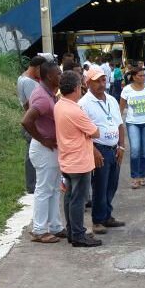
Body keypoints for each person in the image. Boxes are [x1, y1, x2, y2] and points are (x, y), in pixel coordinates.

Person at [54, 70, 101, 247]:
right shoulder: (75, 111)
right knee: (78, 200)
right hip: (79, 161)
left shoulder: (59, 105)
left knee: (69, 196)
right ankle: (79, 235)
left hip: (67, 159)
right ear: (75, 88)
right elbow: (95, 132)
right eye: (80, 86)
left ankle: (72, 232)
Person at [79, 65, 126, 234]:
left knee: (112, 184)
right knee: (100, 184)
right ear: (88, 83)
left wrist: (121, 146)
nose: (101, 83)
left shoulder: (112, 99)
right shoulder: (84, 104)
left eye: (103, 79)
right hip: (99, 148)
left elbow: (120, 124)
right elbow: (82, 132)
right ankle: (98, 220)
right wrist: (93, 150)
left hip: (114, 148)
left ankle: (107, 215)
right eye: (96, 81)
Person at [21, 61, 65, 244]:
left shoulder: (47, 93)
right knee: (44, 189)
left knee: (54, 189)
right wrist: (42, 138)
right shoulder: (41, 97)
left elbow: (27, 108)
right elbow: (26, 120)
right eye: (58, 74)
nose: (61, 77)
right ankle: (39, 230)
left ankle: (55, 226)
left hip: (50, 148)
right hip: (44, 148)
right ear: (49, 76)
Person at [120, 68, 145, 189]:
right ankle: (135, 178)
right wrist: (117, 123)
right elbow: (120, 108)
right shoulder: (127, 90)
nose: (143, 78)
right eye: (141, 76)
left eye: (144, 76)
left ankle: (142, 176)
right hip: (133, 123)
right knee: (135, 150)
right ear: (134, 77)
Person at [17, 55, 46, 194]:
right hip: (32, 122)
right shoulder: (28, 82)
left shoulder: (23, 77)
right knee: (30, 155)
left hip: (30, 121)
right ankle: (32, 185)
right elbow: (31, 105)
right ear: (38, 68)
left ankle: (33, 184)